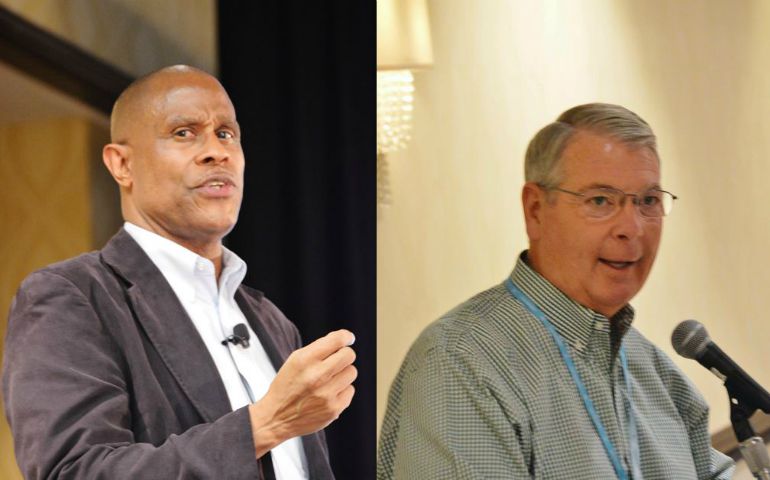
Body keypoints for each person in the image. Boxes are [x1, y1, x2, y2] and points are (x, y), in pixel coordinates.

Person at [2, 65, 356, 479]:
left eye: (226, 133)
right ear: (122, 165)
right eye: (184, 132)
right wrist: (264, 426)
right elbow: (73, 471)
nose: (216, 151)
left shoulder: (272, 321)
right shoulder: (73, 297)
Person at [377, 103, 734, 479]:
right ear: (535, 210)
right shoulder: (460, 365)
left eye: (647, 201)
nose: (632, 227)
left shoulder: (651, 367)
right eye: (601, 200)